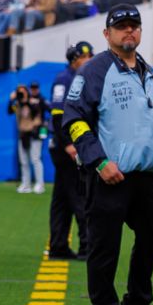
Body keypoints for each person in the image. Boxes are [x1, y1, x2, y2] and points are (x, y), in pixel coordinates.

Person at [62, 4, 153, 305]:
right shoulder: (94, 71)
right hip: (108, 176)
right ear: (107, 33)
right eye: (121, 26)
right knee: (104, 245)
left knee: (152, 237)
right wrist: (98, 160)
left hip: (148, 178)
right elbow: (73, 118)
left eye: (134, 26)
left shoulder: (151, 73)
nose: (129, 31)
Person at [48, 41, 95, 260]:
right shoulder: (64, 79)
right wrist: (68, 143)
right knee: (78, 196)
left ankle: (58, 246)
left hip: (67, 146)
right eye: (88, 56)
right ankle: (86, 246)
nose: (91, 59)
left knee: (62, 199)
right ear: (76, 58)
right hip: (67, 148)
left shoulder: (77, 78)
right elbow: (58, 116)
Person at [9, 83, 46, 194]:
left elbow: (36, 111)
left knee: (35, 159)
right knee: (24, 160)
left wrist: (27, 100)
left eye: (23, 91)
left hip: (34, 133)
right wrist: (11, 100)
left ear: (27, 91)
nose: (21, 93)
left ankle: (40, 184)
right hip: (23, 133)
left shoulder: (33, 101)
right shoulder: (17, 103)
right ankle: (26, 184)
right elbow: (9, 111)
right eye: (19, 91)